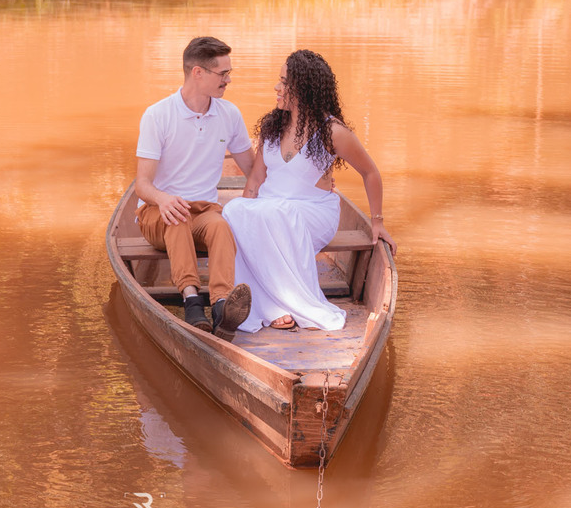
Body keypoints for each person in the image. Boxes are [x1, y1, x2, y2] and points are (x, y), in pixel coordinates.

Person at [222, 49, 396, 333]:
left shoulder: (332, 132)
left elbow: (370, 172)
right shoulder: (272, 126)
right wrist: (246, 221)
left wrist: (377, 221)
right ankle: (264, 302)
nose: (276, 88)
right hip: (270, 209)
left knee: (278, 211)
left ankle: (285, 305)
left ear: (303, 88)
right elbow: (254, 183)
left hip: (312, 212)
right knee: (233, 210)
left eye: (283, 82)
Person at [135, 36, 255, 333]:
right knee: (176, 218)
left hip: (203, 211)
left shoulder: (229, 114)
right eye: (223, 74)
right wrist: (163, 200)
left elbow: (253, 169)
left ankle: (221, 305)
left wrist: (301, 181)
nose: (228, 80)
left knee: (220, 225)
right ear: (198, 72)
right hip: (156, 212)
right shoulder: (158, 115)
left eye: (229, 73)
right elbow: (142, 185)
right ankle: (191, 300)